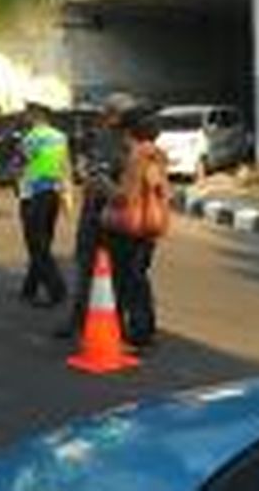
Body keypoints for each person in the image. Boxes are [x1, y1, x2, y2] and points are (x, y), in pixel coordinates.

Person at [54, 92, 134, 339]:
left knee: (120, 273)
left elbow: (128, 187)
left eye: (113, 113)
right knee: (86, 269)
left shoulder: (132, 142)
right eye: (111, 113)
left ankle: (120, 324)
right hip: (93, 214)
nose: (109, 117)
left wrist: (105, 183)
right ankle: (78, 321)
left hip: (119, 217)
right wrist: (85, 173)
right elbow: (84, 168)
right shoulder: (99, 138)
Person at [103, 112, 170, 350]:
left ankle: (129, 331)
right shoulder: (157, 155)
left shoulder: (137, 157)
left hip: (128, 227)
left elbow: (124, 197)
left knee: (125, 280)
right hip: (150, 225)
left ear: (129, 133)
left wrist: (103, 185)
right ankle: (144, 329)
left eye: (122, 132)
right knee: (139, 279)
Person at [15, 103, 70, 309]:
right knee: (44, 240)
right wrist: (66, 195)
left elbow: (21, 164)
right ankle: (29, 287)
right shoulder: (60, 136)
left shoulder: (30, 138)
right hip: (52, 192)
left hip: (32, 194)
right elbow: (65, 165)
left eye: (26, 115)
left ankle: (56, 289)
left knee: (36, 245)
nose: (24, 118)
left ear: (34, 116)